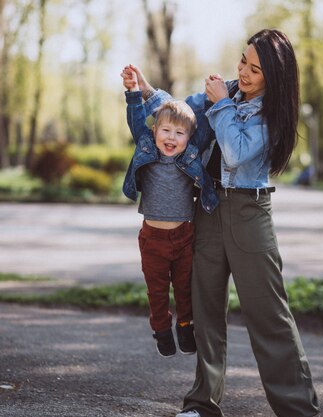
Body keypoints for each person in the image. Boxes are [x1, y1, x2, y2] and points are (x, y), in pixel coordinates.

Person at [128, 28, 319, 417]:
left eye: (255, 69)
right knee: (205, 311)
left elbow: (235, 153)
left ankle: (298, 409)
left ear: (274, 77)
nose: (243, 73)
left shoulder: (271, 114)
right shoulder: (226, 92)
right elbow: (180, 110)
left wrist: (221, 106)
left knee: (269, 317)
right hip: (210, 208)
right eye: (243, 62)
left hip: (250, 214)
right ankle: (202, 404)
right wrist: (148, 91)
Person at [120, 66, 219, 358]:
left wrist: (215, 102)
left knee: (185, 289)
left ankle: (185, 325)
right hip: (152, 239)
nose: (171, 138)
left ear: (189, 137)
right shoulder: (146, 146)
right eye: (165, 130)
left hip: (184, 236)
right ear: (155, 131)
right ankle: (161, 329)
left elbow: (208, 129)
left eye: (179, 133)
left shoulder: (190, 153)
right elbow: (136, 119)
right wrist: (133, 92)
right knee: (157, 291)